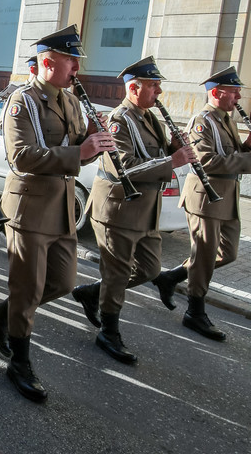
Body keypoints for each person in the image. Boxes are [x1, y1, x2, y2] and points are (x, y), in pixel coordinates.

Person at [0, 25, 115, 402]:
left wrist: (93, 139)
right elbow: (21, 157)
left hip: (61, 206)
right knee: (28, 288)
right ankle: (19, 362)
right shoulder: (22, 101)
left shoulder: (71, 101)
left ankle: (1, 314)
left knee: (63, 282)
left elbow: (74, 149)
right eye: (72, 61)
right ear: (49, 62)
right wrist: (80, 151)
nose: (77, 68)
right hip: (29, 207)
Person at [69, 57, 195, 363]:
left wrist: (173, 147)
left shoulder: (150, 118)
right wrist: (173, 160)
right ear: (134, 88)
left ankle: (93, 293)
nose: (159, 91)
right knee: (118, 272)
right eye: (153, 86)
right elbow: (125, 167)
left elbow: (154, 155)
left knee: (150, 269)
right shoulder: (119, 120)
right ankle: (108, 332)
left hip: (145, 209)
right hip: (119, 209)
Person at [154, 66, 251, 341]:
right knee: (205, 256)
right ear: (217, 92)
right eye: (234, 92)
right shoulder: (202, 121)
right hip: (205, 198)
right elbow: (206, 161)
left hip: (226, 197)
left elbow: (233, 154)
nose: (239, 97)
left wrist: (248, 145)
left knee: (228, 253)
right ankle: (194, 311)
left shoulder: (226, 119)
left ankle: (172, 277)